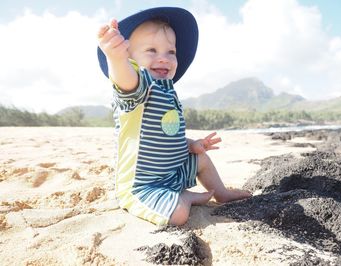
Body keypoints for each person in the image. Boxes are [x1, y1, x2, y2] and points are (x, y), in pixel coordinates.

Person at [97, 7, 251, 226]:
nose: (164, 58)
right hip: (142, 186)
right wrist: (116, 58)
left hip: (171, 175)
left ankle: (222, 192)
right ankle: (186, 197)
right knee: (178, 215)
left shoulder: (168, 92)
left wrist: (192, 145)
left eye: (171, 52)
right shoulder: (138, 88)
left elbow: (168, 136)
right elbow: (124, 80)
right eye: (151, 50)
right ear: (130, 58)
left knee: (202, 160)